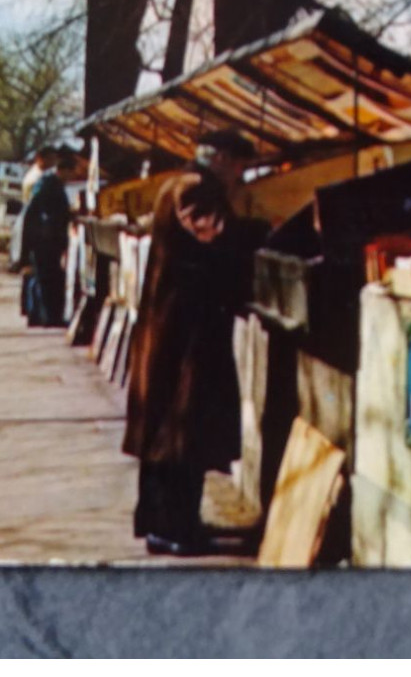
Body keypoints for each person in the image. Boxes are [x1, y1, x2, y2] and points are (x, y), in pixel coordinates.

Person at [123, 129, 270, 557]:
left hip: (179, 326)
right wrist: (263, 230)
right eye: (239, 167)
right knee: (180, 432)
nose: (241, 177)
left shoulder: (180, 183)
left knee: (170, 436)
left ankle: (165, 523)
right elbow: (216, 235)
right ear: (221, 158)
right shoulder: (194, 188)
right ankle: (173, 528)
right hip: (183, 332)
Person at [20, 146, 72, 327]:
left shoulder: (46, 183)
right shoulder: (49, 184)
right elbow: (37, 211)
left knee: (43, 278)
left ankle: (40, 315)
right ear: (63, 171)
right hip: (46, 239)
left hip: (44, 238)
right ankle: (49, 317)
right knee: (47, 278)